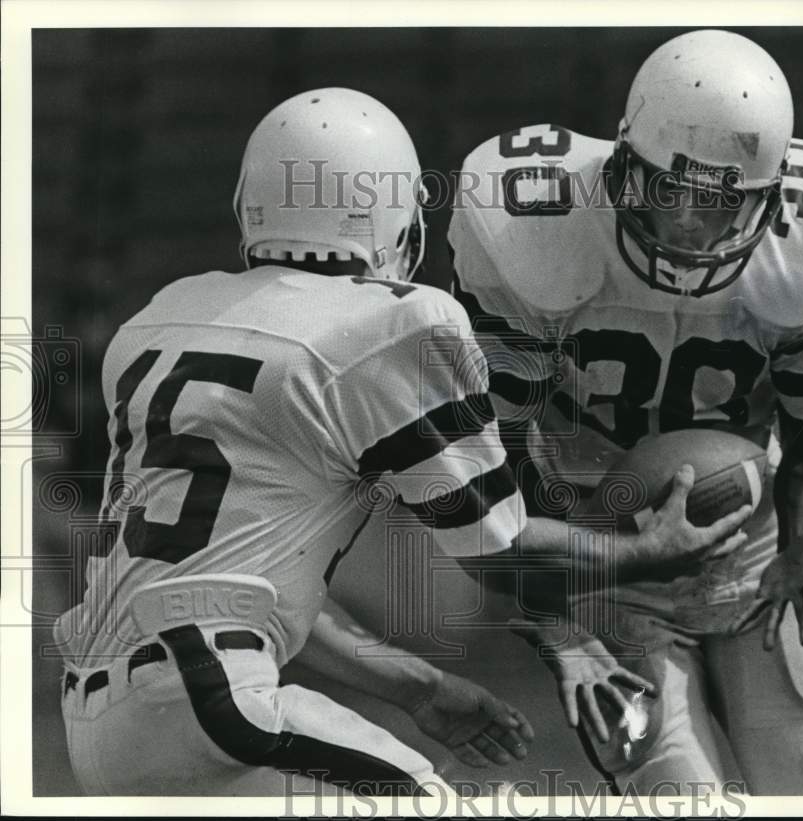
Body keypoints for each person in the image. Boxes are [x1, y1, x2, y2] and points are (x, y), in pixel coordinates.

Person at [53, 87, 748, 797]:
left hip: (102, 722)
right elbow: (502, 549)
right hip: (209, 692)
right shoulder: (390, 326)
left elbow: (231, 591)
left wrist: (422, 688)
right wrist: (646, 554)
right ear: (389, 215)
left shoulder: (160, 320)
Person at [448, 29, 803, 795]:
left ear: (769, 198)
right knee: (682, 798)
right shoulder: (536, 227)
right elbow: (494, 468)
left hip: (754, 552)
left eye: (718, 202)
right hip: (605, 551)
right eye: (668, 192)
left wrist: (801, 555)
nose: (688, 224)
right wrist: (560, 616)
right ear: (622, 168)